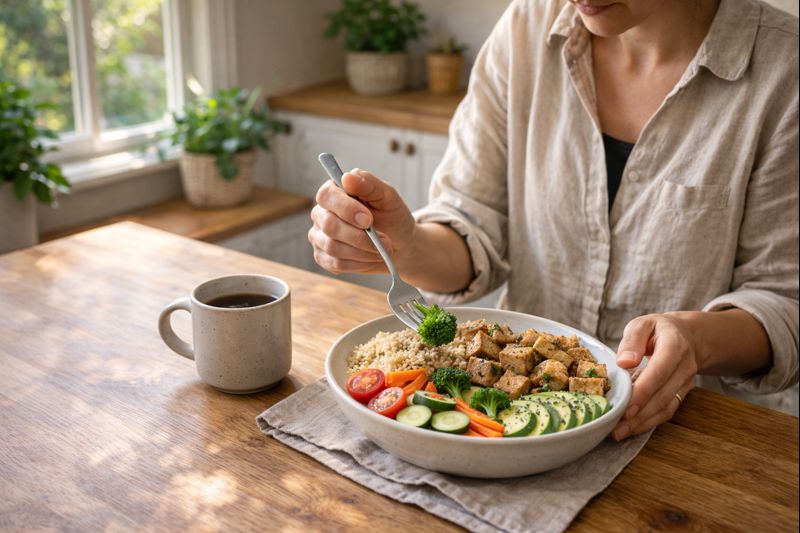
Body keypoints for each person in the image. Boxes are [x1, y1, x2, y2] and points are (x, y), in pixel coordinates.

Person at [308, 0, 799, 439]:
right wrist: (407, 246)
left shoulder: (784, 70)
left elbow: (785, 302)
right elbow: (473, 222)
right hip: (505, 431)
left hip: (694, 433)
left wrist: (698, 341)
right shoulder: (524, 28)